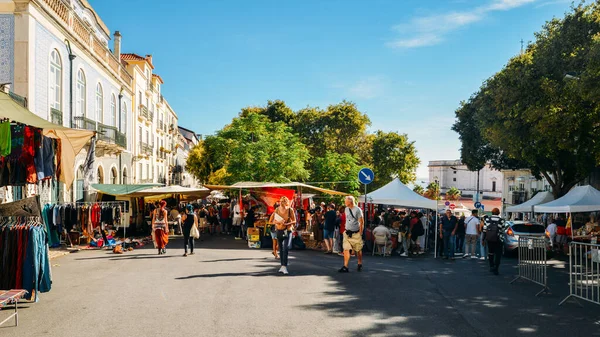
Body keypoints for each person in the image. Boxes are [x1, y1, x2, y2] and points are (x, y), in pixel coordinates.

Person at [269, 197, 296, 275]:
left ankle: (284, 266)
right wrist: (277, 222)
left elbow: (294, 221)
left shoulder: (290, 210)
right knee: (281, 248)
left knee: (286, 247)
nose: (282, 204)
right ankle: (282, 266)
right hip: (279, 230)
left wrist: (286, 224)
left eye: (284, 202)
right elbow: (271, 221)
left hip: (288, 230)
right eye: (281, 202)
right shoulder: (276, 210)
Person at [339, 196, 364, 273]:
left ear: (350, 202)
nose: (344, 202)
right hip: (347, 232)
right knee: (346, 249)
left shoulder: (358, 210)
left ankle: (359, 262)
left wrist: (360, 233)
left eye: (346, 201)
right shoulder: (346, 209)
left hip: (356, 233)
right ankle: (345, 266)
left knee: (358, 250)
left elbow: (361, 222)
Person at [482, 208, 507, 275]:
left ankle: (491, 266)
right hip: (498, 239)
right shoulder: (501, 220)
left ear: (492, 212)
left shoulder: (487, 219)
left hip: (490, 239)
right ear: (498, 213)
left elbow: (484, 230)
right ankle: (496, 268)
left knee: (490, 253)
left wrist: (483, 239)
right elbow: (503, 230)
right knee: (498, 254)